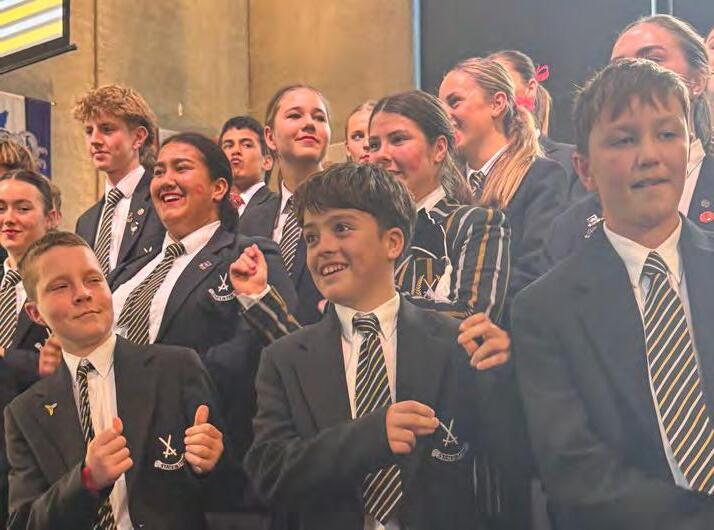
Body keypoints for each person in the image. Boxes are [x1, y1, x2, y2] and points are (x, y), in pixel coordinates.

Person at [243, 162, 528, 530]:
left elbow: (509, 456)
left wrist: (507, 375)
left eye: (341, 228)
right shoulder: (284, 358)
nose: (323, 248)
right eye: (311, 237)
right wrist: (370, 437)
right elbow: (268, 472)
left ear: (393, 242)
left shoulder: (455, 343)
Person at [513, 58, 714, 530]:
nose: (650, 155)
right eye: (624, 140)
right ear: (584, 170)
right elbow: (575, 471)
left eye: (667, 134)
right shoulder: (545, 310)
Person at [5, 231, 224, 529]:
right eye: (61, 286)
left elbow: (233, 493)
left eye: (93, 280)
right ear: (35, 312)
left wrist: (212, 463)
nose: (83, 293)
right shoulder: (24, 413)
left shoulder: (176, 369)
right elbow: (23, 522)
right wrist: (86, 479)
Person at [546, 15, 714, 266]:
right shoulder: (569, 227)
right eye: (621, 68)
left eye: (653, 60)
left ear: (698, 80)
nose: (637, 74)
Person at [438, 57, 567, 305]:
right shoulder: (445, 188)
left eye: (455, 102)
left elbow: (536, 272)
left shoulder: (542, 177)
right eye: (440, 107)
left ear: (497, 104)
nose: (444, 116)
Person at [238, 85, 332, 325]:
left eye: (319, 118)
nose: (309, 123)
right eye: (295, 115)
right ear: (270, 137)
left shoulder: (348, 207)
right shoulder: (252, 219)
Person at [0, 170, 62, 528]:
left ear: (50, 218)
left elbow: (62, 363)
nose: (9, 218)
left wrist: (8, 357)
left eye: (22, 208)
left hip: (32, 446)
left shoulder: (63, 282)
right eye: (2, 208)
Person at [73, 84, 165, 276]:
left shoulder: (164, 200)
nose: (95, 140)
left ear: (138, 137)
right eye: (89, 131)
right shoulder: (85, 222)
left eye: (107, 129)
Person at [489, 50, 585, 203]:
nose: (495, 96)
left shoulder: (569, 160)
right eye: (485, 88)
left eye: (503, 82)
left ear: (531, 88)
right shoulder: (473, 167)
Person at [219, 115, 275, 219]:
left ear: (267, 162)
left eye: (247, 145)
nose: (235, 151)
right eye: (228, 146)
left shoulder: (279, 208)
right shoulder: (209, 209)